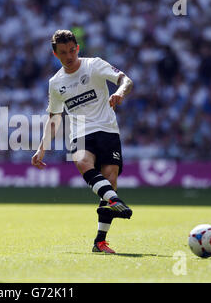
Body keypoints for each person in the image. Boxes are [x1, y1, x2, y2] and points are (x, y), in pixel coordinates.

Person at [31, 30, 134, 253]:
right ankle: (115, 200)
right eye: (63, 53)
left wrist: (121, 93)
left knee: (110, 179)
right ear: (55, 54)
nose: (69, 56)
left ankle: (100, 241)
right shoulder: (56, 82)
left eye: (71, 50)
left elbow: (126, 80)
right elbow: (54, 118)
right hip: (81, 133)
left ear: (77, 48)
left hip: (107, 130)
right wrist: (42, 149)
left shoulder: (94, 65)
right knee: (82, 161)